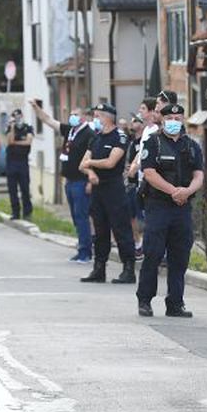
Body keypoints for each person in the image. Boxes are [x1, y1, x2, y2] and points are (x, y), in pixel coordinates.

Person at [136, 103, 205, 318]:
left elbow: (199, 175)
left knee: (180, 256)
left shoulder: (192, 146)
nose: (174, 121)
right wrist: (174, 191)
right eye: (170, 117)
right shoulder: (153, 142)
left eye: (178, 117)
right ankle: (145, 300)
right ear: (162, 119)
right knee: (153, 254)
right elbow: (149, 173)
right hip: (158, 206)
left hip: (182, 208)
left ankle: (175, 303)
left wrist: (187, 191)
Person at [30, 100, 94, 263]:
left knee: (82, 216)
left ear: (85, 117)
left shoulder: (88, 134)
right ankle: (81, 246)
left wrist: (90, 181)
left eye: (76, 114)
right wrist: (37, 108)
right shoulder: (69, 130)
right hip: (69, 180)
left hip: (81, 180)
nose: (73, 117)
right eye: (71, 114)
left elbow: (93, 157)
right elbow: (49, 121)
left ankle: (86, 251)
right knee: (74, 216)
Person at [78, 103, 136, 284]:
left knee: (121, 229)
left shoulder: (119, 136)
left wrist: (91, 164)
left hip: (114, 188)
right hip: (98, 189)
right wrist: (91, 172)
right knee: (100, 230)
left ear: (107, 117)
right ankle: (99, 268)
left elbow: (111, 162)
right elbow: (82, 164)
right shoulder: (95, 138)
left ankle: (128, 269)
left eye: (98, 115)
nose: (96, 119)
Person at [4, 108, 35, 220]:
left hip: (23, 162)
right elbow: (10, 141)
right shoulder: (9, 128)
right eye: (14, 116)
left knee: (25, 189)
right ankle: (15, 212)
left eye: (18, 116)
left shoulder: (28, 128)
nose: (17, 118)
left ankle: (27, 213)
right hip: (11, 162)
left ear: (22, 116)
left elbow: (28, 141)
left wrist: (16, 142)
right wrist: (12, 127)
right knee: (12, 189)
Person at [125, 114, 146, 259]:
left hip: (141, 184)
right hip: (131, 183)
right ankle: (137, 245)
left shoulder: (146, 140)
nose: (133, 123)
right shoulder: (131, 141)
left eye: (137, 120)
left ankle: (144, 246)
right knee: (130, 216)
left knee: (143, 219)